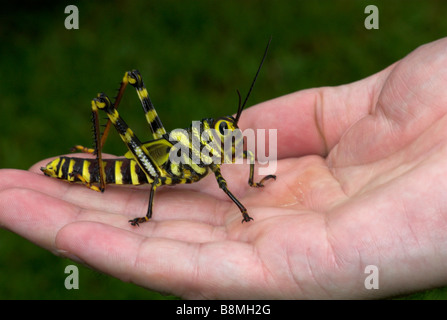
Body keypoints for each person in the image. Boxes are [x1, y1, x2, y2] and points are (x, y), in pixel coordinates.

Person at [1, 37, 447, 299]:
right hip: (140, 170)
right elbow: (198, 177)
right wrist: (145, 209)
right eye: (223, 130)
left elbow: (235, 165)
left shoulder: (219, 152)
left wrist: (257, 178)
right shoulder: (202, 162)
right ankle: (94, 163)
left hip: (158, 160)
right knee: (123, 94)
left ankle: (97, 159)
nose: (229, 137)